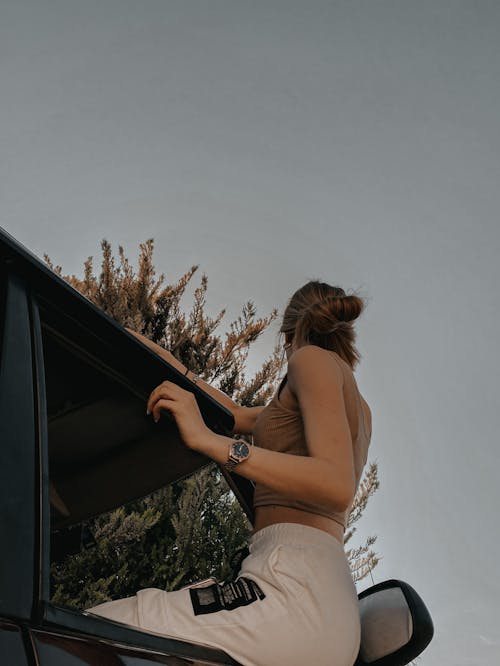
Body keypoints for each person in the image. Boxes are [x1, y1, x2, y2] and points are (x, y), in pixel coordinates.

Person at [85, 280, 372, 666]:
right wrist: (147, 351)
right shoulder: (353, 401)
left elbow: (335, 484)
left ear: (289, 333)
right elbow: (230, 415)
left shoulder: (309, 361)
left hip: (294, 588)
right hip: (315, 599)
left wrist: (213, 443)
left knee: (91, 630)